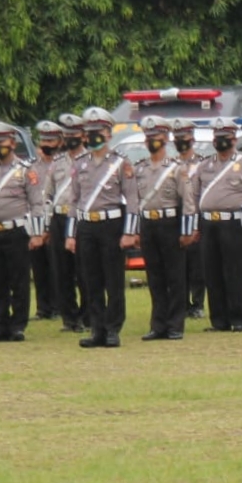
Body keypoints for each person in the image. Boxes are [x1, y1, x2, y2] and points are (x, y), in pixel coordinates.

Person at [67, 108, 140, 349]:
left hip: (112, 225)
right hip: (87, 225)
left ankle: (113, 329)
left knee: (113, 280)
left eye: (98, 132)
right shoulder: (80, 164)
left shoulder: (120, 163)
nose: (93, 136)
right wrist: (70, 234)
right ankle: (97, 329)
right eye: (89, 132)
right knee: (91, 280)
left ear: (108, 134)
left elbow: (132, 199)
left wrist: (130, 232)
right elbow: (74, 200)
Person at [192, 118, 242, 333]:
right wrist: (194, 227)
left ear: (234, 140)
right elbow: (194, 197)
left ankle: (239, 318)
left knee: (237, 272)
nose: (221, 142)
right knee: (212, 273)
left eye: (225, 138)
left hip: (236, 224)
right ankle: (219, 320)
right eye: (218, 138)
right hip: (209, 224)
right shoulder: (205, 165)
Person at [0, 121, 47, 342]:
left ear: (12, 143)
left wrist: (37, 234)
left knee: (18, 280)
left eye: (1, 141)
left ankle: (18, 325)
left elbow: (37, 203)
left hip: (17, 230)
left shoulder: (25, 170)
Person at [133, 116, 194, 340]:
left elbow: (187, 201)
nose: (152, 141)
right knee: (155, 276)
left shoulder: (177, 169)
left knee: (175, 276)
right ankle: (158, 324)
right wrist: (136, 230)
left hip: (170, 223)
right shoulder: (140, 169)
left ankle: (175, 324)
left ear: (166, 139)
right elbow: (135, 202)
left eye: (156, 137)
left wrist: (187, 231)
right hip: (148, 223)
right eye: (148, 138)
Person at [46, 113, 88, 332]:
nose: (71, 138)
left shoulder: (89, 160)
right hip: (59, 218)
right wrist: (45, 225)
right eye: (67, 134)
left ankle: (87, 316)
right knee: (62, 271)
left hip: (81, 219)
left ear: (83, 135)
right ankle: (69, 319)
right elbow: (47, 195)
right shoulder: (57, 163)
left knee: (85, 271)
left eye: (75, 134)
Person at [172, 118, 207, 320]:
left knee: (197, 264)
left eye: (183, 137)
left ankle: (198, 303)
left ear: (191, 138)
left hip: (196, 214)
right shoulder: (172, 163)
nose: (180, 141)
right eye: (177, 138)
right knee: (179, 264)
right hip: (176, 216)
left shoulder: (202, 164)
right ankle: (182, 303)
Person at [29, 121, 63, 324]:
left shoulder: (64, 164)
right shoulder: (31, 166)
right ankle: (43, 308)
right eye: (43, 140)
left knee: (57, 265)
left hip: (56, 220)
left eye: (50, 140)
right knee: (38, 266)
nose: (46, 144)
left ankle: (59, 305)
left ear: (60, 141)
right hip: (36, 220)